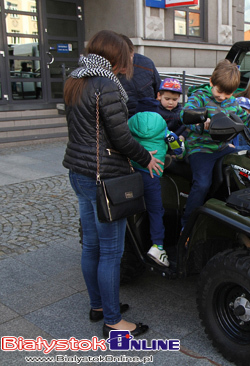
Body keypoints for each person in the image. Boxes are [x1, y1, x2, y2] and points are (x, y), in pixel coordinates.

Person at [62, 30, 163, 338]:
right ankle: (113, 321)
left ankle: (98, 306)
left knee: (91, 244)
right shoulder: (106, 83)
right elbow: (120, 137)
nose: (130, 62)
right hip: (103, 176)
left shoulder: (75, 78)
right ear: (115, 54)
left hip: (79, 172)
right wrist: (146, 157)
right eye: (127, 56)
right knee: (110, 251)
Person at [181, 59, 250, 230]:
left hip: (222, 148)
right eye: (219, 91)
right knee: (202, 184)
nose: (222, 97)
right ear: (211, 82)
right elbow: (185, 116)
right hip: (201, 149)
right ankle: (187, 223)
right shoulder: (199, 97)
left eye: (227, 93)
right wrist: (201, 123)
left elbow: (248, 119)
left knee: (249, 168)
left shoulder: (232, 103)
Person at [128, 100, 180, 268]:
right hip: (152, 174)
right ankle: (157, 246)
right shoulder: (164, 128)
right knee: (156, 210)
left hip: (132, 172)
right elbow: (177, 146)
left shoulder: (130, 123)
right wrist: (181, 149)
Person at [118, 34, 161, 118]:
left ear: (132, 53)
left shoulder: (146, 64)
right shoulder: (106, 74)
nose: (123, 64)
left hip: (150, 120)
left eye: (127, 59)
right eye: (120, 60)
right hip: (124, 122)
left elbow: (159, 92)